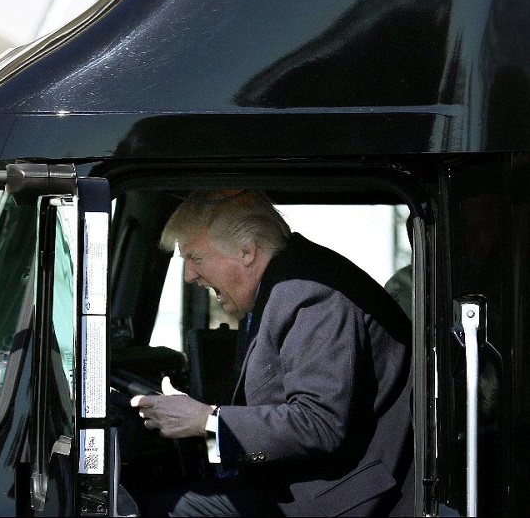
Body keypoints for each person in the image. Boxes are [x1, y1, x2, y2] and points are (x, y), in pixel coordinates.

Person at [131, 189, 414, 516]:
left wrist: (207, 420)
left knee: (165, 509)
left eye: (195, 258)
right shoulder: (279, 285)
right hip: (301, 480)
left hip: (339, 495)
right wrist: (193, 411)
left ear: (247, 251)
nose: (189, 275)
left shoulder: (309, 293)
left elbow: (319, 424)